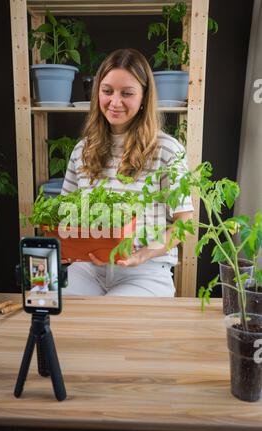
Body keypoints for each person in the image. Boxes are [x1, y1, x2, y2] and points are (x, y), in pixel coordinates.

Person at [61, 48, 193, 297]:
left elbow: (184, 224)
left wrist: (143, 254)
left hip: (145, 271)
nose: (115, 101)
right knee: (58, 315)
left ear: (144, 97)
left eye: (127, 93)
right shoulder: (83, 150)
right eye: (107, 91)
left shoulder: (166, 150)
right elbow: (68, 214)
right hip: (88, 268)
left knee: (112, 326)